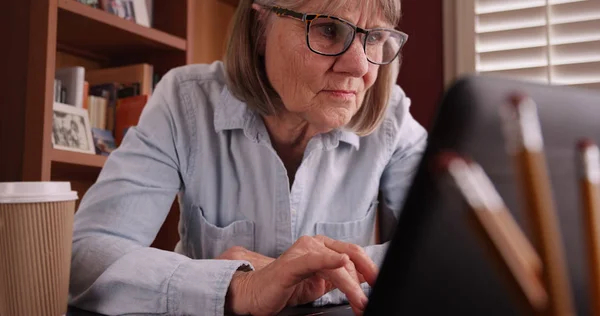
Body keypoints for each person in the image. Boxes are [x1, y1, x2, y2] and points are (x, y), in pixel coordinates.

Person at [68, 0, 427, 315]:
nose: (359, 66)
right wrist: (239, 287)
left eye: (375, 37)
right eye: (328, 29)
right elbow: (84, 256)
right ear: (260, 29)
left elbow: (451, 251)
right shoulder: (185, 101)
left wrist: (304, 282)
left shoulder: (392, 116)